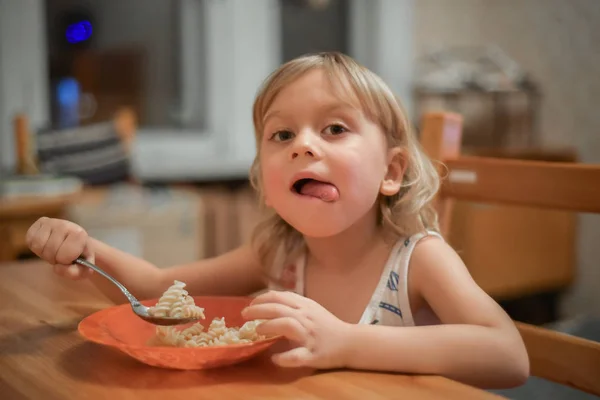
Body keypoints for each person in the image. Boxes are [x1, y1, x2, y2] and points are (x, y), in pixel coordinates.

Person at [25, 52, 528, 389]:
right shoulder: (280, 254)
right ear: (265, 182)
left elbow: (508, 356)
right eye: (281, 135)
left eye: (335, 128)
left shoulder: (419, 259)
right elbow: (157, 290)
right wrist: (86, 250)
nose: (304, 145)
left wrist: (347, 341)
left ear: (390, 172)